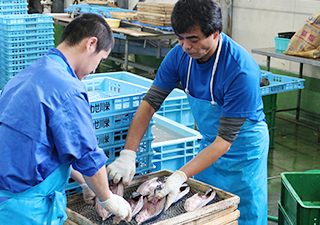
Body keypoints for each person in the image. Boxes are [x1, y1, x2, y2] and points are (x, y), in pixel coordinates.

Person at [106, 0, 269, 224]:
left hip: (243, 149)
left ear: (215, 33)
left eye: (193, 39)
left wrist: (181, 175)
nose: (185, 46)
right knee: (204, 207)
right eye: (180, 38)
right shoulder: (179, 56)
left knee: (242, 211)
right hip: (209, 144)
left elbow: (225, 141)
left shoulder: (241, 71)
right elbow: (150, 103)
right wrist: (128, 154)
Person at [0, 13, 131, 224]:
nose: (95, 68)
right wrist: (108, 199)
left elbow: (44, 147)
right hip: (27, 211)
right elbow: (87, 154)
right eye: (100, 59)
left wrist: (85, 181)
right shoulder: (67, 89)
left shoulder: (29, 74)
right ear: (91, 43)